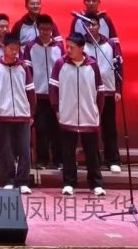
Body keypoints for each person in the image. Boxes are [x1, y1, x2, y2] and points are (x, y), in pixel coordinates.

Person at [50, 34, 106, 196]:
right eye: (67, 46)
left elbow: (100, 91)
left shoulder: (93, 65)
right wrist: (57, 109)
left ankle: (96, 183)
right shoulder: (60, 64)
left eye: (72, 47)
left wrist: (97, 110)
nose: (68, 50)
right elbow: (53, 88)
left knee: (92, 152)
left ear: (82, 48)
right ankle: (69, 183)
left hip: (89, 116)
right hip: (67, 115)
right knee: (68, 152)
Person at [0, 34, 36, 194]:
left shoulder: (24, 67)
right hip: (3, 115)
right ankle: (9, 179)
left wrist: (31, 113)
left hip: (23, 114)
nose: (14, 52)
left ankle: (23, 181)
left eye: (17, 49)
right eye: (11, 49)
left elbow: (30, 91)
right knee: (6, 149)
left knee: (24, 149)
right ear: (4, 48)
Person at [82, 15, 124, 173]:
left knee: (109, 127)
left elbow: (118, 66)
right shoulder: (81, 44)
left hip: (108, 90)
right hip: (89, 93)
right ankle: (93, 160)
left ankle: (113, 159)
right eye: (88, 25)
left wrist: (118, 89)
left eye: (94, 25)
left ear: (99, 26)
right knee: (90, 128)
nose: (91, 27)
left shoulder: (110, 44)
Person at [23, 15, 64, 169]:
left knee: (57, 129)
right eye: (42, 29)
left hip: (57, 95)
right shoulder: (30, 47)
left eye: (48, 29)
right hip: (38, 95)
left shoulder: (59, 46)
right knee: (41, 128)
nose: (45, 32)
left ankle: (59, 159)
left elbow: (63, 70)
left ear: (52, 28)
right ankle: (42, 159)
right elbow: (27, 71)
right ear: (37, 28)